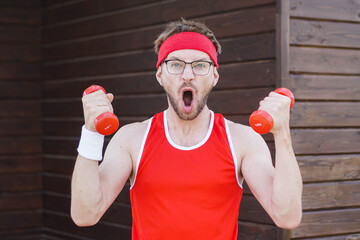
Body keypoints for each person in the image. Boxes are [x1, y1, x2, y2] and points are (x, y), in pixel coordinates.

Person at [71, 19, 303, 239]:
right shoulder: (132, 139)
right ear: (160, 75)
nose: (188, 75)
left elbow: (287, 216)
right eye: (176, 65)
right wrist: (91, 133)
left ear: (214, 76)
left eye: (200, 65)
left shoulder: (242, 140)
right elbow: (85, 215)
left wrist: (282, 135)